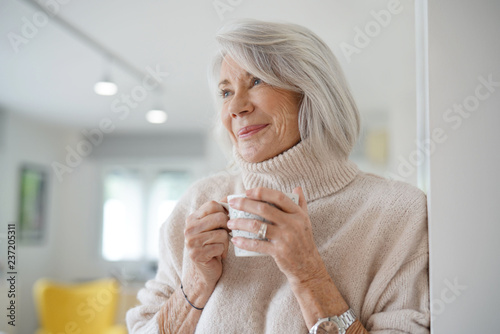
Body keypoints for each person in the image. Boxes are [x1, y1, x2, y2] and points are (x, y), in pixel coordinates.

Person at [126, 19, 429, 334]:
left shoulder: (398, 212)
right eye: (226, 91)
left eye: (256, 81)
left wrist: (309, 275)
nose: (236, 107)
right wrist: (195, 286)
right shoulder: (198, 203)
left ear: (310, 91)